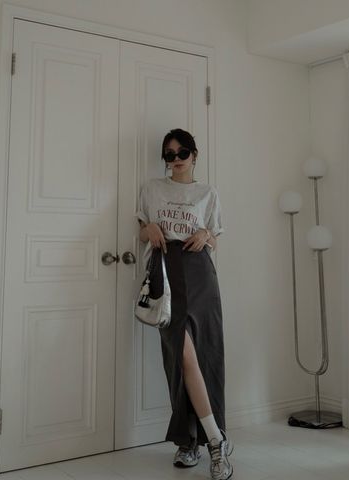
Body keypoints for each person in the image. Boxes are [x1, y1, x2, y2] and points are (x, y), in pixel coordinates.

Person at [136, 128, 234, 480]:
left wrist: (206, 234)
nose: (175, 160)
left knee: (207, 354)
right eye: (169, 154)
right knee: (181, 359)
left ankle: (194, 442)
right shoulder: (152, 189)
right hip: (165, 271)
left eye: (182, 153)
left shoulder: (208, 193)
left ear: (195, 155)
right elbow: (141, 230)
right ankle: (212, 440)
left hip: (200, 273)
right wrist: (149, 229)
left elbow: (214, 238)